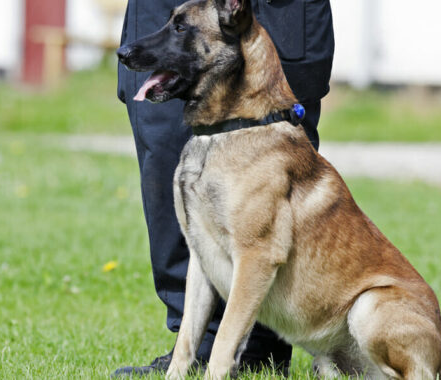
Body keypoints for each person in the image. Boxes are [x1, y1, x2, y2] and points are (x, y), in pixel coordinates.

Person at [112, 0, 334, 376]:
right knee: (164, 151)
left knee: (270, 177)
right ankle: (194, 346)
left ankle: (257, 351)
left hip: (272, 10)